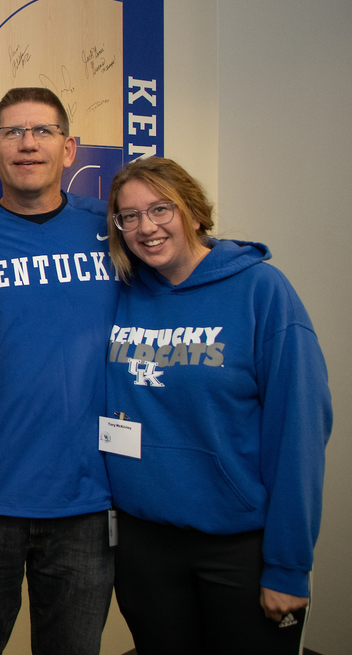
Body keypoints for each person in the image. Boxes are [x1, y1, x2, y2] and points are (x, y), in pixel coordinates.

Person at [103, 156, 332, 654]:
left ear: (195, 213)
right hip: (144, 545)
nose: (146, 227)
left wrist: (289, 566)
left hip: (237, 545)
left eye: (160, 209)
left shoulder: (261, 292)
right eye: (130, 216)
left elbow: (300, 433)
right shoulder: (121, 294)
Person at [0, 88, 117, 655]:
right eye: (12, 133)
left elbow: (184, 258)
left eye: (43, 131)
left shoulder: (112, 229)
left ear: (70, 148)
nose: (27, 144)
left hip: (87, 501)